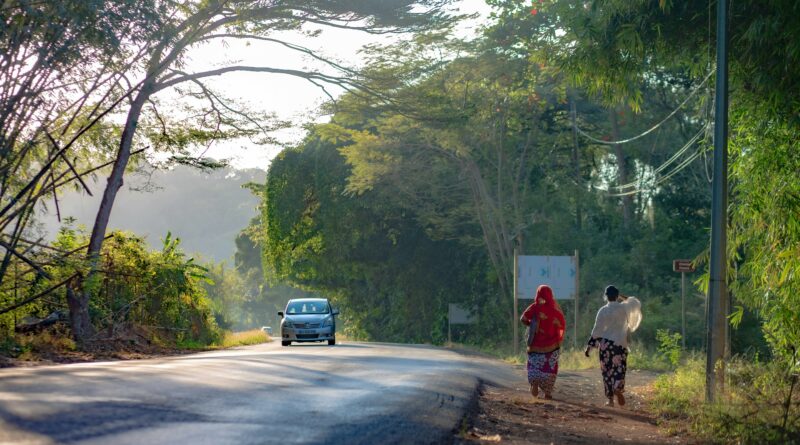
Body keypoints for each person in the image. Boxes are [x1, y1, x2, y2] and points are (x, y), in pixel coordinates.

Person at [584, 285, 642, 407]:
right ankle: (618, 388)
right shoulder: (624, 308)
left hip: (605, 345)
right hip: (620, 344)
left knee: (607, 372)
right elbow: (635, 302)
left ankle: (610, 400)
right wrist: (621, 296)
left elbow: (597, 330)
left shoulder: (603, 310)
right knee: (619, 369)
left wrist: (589, 347)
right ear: (617, 296)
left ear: (605, 296)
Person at [520, 285, 566, 400]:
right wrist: (559, 338)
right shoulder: (556, 310)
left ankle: (534, 382)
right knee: (550, 367)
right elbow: (562, 325)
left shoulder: (535, 307)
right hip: (552, 345)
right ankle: (547, 393)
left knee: (534, 365)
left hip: (535, 345)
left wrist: (531, 324)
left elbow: (523, 318)